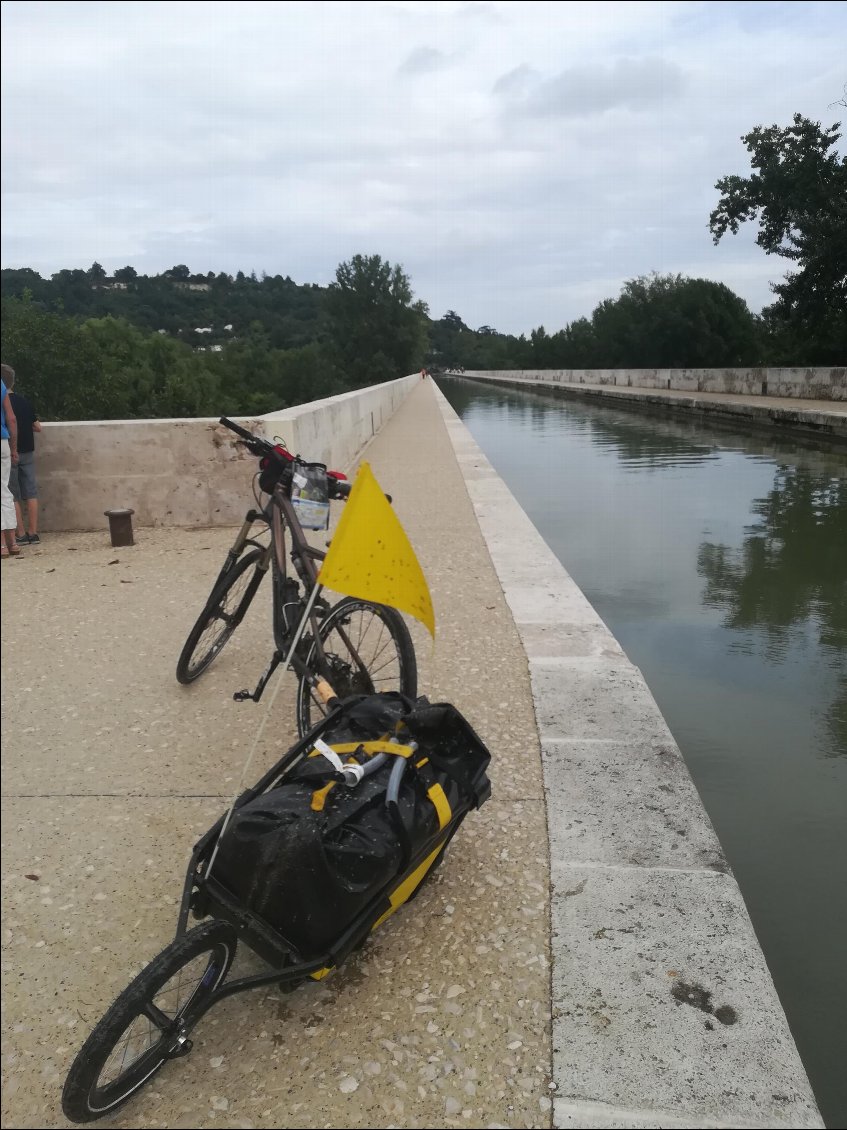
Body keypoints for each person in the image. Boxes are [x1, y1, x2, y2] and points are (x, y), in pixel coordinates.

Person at [7, 369, 42, 544]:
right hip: (28, 451)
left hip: (10, 452)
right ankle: (33, 533)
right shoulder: (25, 402)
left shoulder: (3, 403)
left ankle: (20, 534)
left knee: (13, 494)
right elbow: (38, 427)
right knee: (31, 492)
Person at [1, 363, 20, 558]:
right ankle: (13, 542)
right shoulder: (1, 385)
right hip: (3, 442)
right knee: (5, 491)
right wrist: (14, 448)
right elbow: (11, 418)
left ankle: (1, 546)